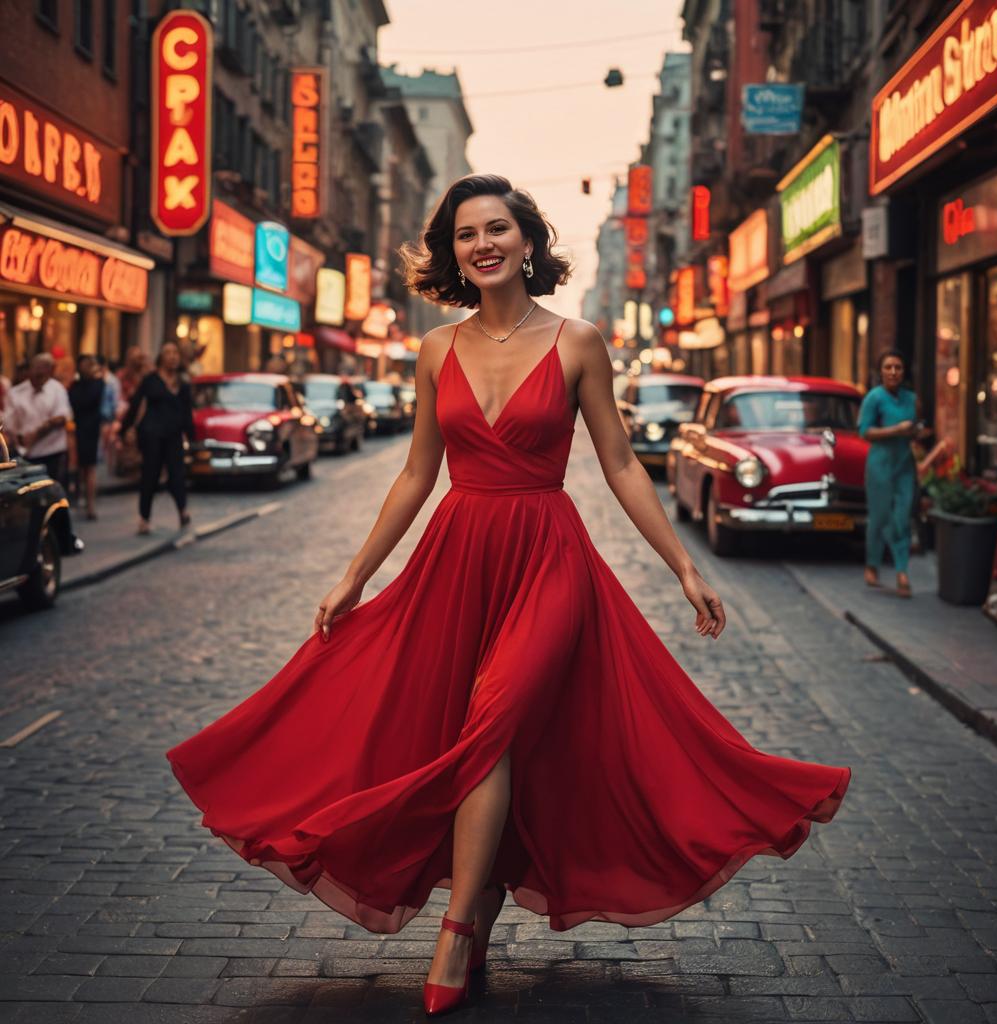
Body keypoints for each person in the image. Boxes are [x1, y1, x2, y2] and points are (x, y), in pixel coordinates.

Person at [165, 174, 850, 1017]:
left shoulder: (578, 342)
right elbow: (418, 473)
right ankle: (482, 898)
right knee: (457, 727)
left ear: (528, 241)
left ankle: (455, 927)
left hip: (548, 556)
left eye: (497, 228)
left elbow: (623, 464)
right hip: (457, 557)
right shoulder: (433, 350)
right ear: (452, 253)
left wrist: (683, 565)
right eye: (464, 235)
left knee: (490, 723)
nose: (482, 244)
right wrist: (355, 574)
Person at [858, 350, 923, 598]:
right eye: (888, 367)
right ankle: (872, 564)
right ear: (881, 372)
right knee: (880, 516)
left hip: (904, 463)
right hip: (880, 463)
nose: (893, 372)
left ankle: (901, 571)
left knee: (903, 517)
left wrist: (916, 432)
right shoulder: (874, 398)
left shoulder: (911, 398)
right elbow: (865, 432)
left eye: (898, 367)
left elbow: (915, 428)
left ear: (904, 372)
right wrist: (896, 429)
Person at [118, 341, 195, 534]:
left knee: (177, 475)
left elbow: (187, 414)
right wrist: (124, 429)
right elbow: (136, 405)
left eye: (175, 353)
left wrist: (192, 438)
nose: (172, 357)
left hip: (173, 435)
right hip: (152, 435)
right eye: (168, 353)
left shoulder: (183, 384)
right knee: (150, 475)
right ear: (161, 357)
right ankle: (144, 518)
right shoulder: (150, 380)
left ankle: (183, 511)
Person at [3, 352, 73, 488]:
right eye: (35, 370)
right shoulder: (16, 392)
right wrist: (18, 439)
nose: (37, 374)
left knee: (52, 491)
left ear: (49, 370)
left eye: (42, 370)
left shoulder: (57, 389)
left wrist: (36, 434)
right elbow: (9, 423)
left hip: (52, 452)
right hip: (25, 455)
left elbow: (61, 418)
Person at [68, 354, 106, 520]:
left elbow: (87, 401)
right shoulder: (74, 385)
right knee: (78, 467)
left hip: (90, 429)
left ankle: (90, 504)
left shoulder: (98, 384)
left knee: (89, 467)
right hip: (75, 429)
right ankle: (80, 498)